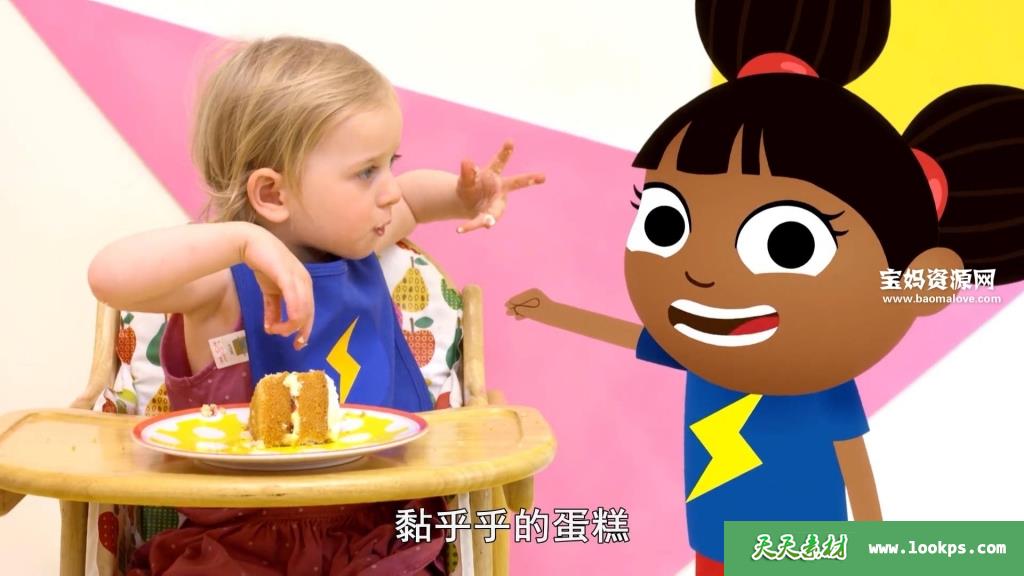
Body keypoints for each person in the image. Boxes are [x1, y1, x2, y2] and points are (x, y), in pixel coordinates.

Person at [505, 1, 1024, 574]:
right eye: (666, 223)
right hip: (714, 546)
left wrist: (875, 552)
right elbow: (632, 335)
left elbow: (855, 469)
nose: (702, 273)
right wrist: (550, 310)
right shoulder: (706, 349)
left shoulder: (818, 382)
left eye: (790, 243)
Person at [89, 35, 544, 575]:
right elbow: (108, 275)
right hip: (239, 547)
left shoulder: (365, 244)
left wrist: (462, 197)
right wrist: (242, 242)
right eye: (367, 172)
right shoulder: (221, 283)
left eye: (390, 163)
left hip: (378, 537)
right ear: (272, 194)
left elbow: (415, 198)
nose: (390, 191)